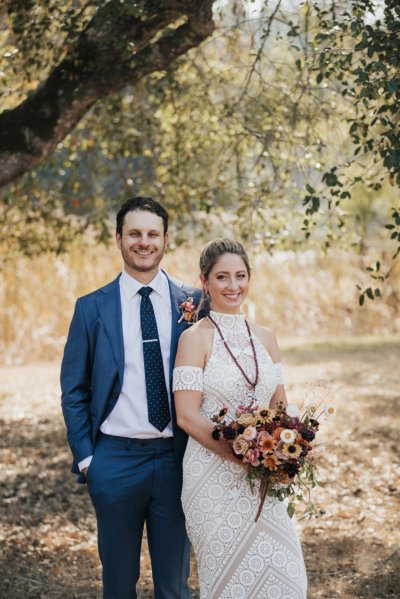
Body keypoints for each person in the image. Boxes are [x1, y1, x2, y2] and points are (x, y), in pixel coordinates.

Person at [60, 196, 202, 599]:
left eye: (152, 234)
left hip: (177, 461)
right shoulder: (91, 308)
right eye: (135, 233)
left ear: (166, 239)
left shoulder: (192, 304)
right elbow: (73, 391)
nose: (144, 242)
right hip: (114, 462)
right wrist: (89, 460)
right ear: (119, 239)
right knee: (118, 586)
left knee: (174, 587)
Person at [173, 238, 307, 599]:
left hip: (265, 477)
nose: (233, 286)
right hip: (211, 481)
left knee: (287, 578)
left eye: (240, 275)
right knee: (229, 583)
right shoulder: (194, 339)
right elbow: (186, 416)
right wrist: (241, 454)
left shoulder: (267, 337)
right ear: (205, 281)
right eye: (222, 277)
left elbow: (281, 409)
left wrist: (281, 452)